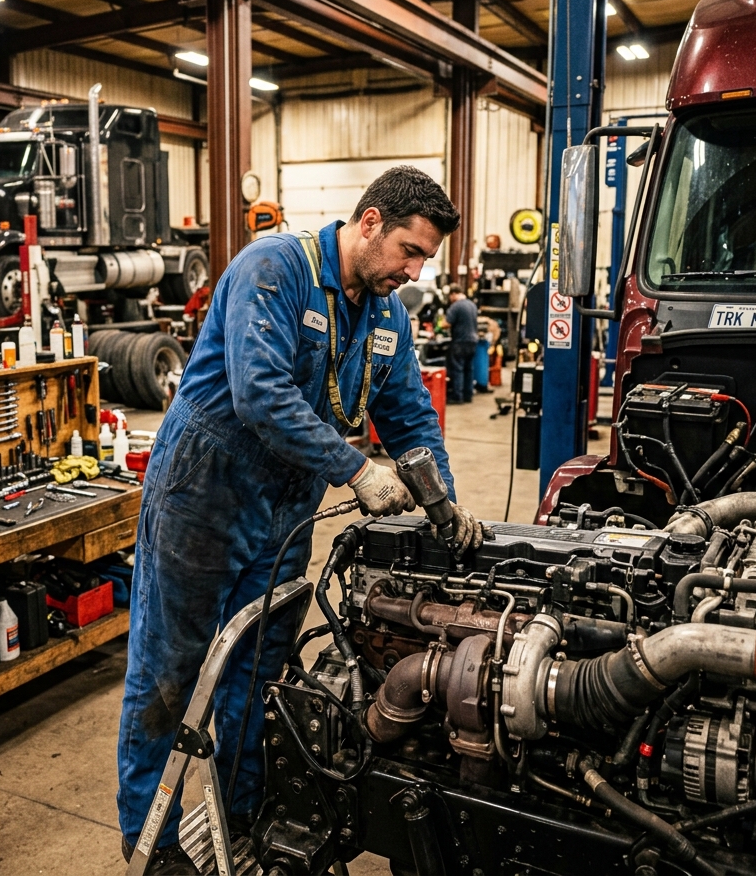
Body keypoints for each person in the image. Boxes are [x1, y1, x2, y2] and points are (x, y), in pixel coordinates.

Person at [117, 165, 483, 874]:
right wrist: (356, 471)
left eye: (424, 261)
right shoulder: (274, 269)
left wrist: (444, 506)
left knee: (260, 671)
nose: (412, 271)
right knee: (169, 671)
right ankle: (151, 843)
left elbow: (408, 417)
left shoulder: (387, 318)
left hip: (284, 507)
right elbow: (260, 395)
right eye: (409, 251)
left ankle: (246, 810)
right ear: (371, 221)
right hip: (204, 490)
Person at [443, 287, 480, 404]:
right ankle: (468, 395)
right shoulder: (472, 305)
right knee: (469, 369)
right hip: (473, 341)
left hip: (460, 342)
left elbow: (446, 324)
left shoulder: (456, 306)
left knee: (457, 369)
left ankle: (457, 396)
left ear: (453, 294)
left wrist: (439, 324)